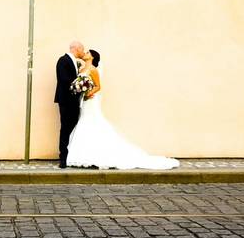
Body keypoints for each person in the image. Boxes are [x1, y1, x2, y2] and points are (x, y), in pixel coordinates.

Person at [66, 49, 179, 170]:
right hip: (83, 101)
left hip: (90, 101)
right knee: (83, 120)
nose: (85, 54)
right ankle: (85, 153)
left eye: (88, 53)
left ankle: (96, 154)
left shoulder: (93, 70)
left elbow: (98, 86)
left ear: (92, 57)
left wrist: (88, 94)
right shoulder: (82, 69)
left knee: (91, 121)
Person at [55, 40, 86, 168]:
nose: (83, 52)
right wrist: (80, 84)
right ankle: (63, 158)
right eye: (82, 49)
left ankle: (71, 155)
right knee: (65, 128)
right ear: (76, 49)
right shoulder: (63, 60)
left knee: (72, 127)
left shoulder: (75, 62)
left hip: (73, 101)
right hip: (66, 101)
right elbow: (64, 79)